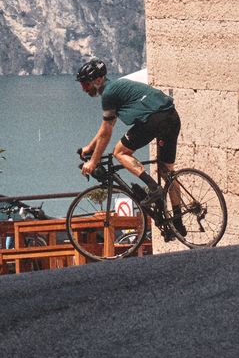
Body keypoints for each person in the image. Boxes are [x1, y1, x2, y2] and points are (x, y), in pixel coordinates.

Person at [76, 58, 185, 233]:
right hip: (171, 117)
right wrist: (89, 147)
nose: (84, 89)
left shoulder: (109, 94)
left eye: (86, 84)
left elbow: (106, 133)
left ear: (97, 80)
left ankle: (153, 188)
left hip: (154, 119)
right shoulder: (117, 87)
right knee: (168, 173)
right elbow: (107, 126)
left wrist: (93, 162)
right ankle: (179, 222)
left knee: (119, 152)